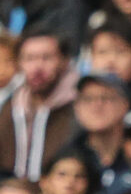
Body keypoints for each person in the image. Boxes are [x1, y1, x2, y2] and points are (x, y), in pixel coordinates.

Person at [0, 30, 78, 181]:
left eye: (46, 58)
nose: (37, 67)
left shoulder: (80, 106)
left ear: (65, 61)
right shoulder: (11, 106)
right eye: (29, 58)